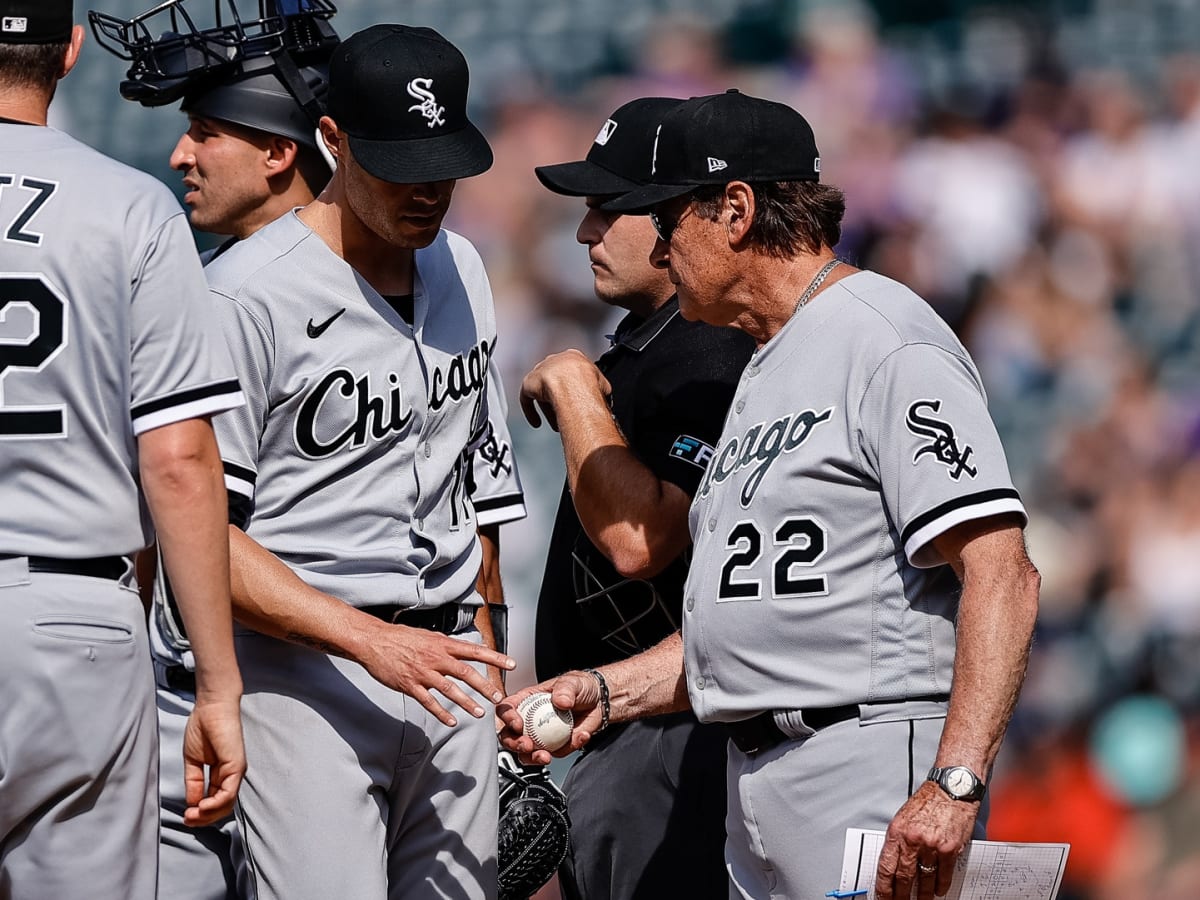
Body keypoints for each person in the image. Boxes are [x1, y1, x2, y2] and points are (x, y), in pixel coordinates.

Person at [501, 89, 1041, 900]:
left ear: (736, 211)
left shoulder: (884, 338)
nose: (662, 245)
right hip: (761, 780)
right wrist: (609, 693)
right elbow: (748, 626)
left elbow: (1003, 572)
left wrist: (955, 782)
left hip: (869, 766)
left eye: (669, 217)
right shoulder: (763, 361)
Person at [202, 23, 516, 900]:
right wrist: (371, 641)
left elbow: (474, 475)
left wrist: (493, 645)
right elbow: (201, 538)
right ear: (330, 141)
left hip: (452, 669)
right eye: (398, 164)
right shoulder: (244, 295)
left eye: (443, 163)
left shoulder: (462, 265)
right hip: (307, 674)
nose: (427, 190)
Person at [0, 2, 246, 899]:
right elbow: (180, 461)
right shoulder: (131, 203)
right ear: (68, 51)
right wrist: (217, 686)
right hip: (74, 616)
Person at [524, 96, 754, 900]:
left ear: (672, 223)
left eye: (605, 210)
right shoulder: (659, 345)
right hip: (626, 726)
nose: (585, 233)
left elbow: (641, 537)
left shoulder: (711, 350)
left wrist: (572, 387)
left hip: (674, 733)